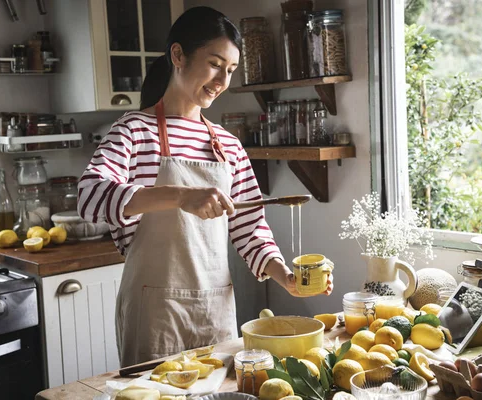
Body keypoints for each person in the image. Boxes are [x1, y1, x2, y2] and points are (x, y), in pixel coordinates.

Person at [78, 6, 334, 367]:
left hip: (216, 311)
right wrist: (181, 196)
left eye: (230, 70)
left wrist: (286, 276)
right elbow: (89, 198)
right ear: (178, 55)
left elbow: (250, 227)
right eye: (215, 64)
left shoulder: (228, 145)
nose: (222, 80)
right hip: (155, 315)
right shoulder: (134, 131)